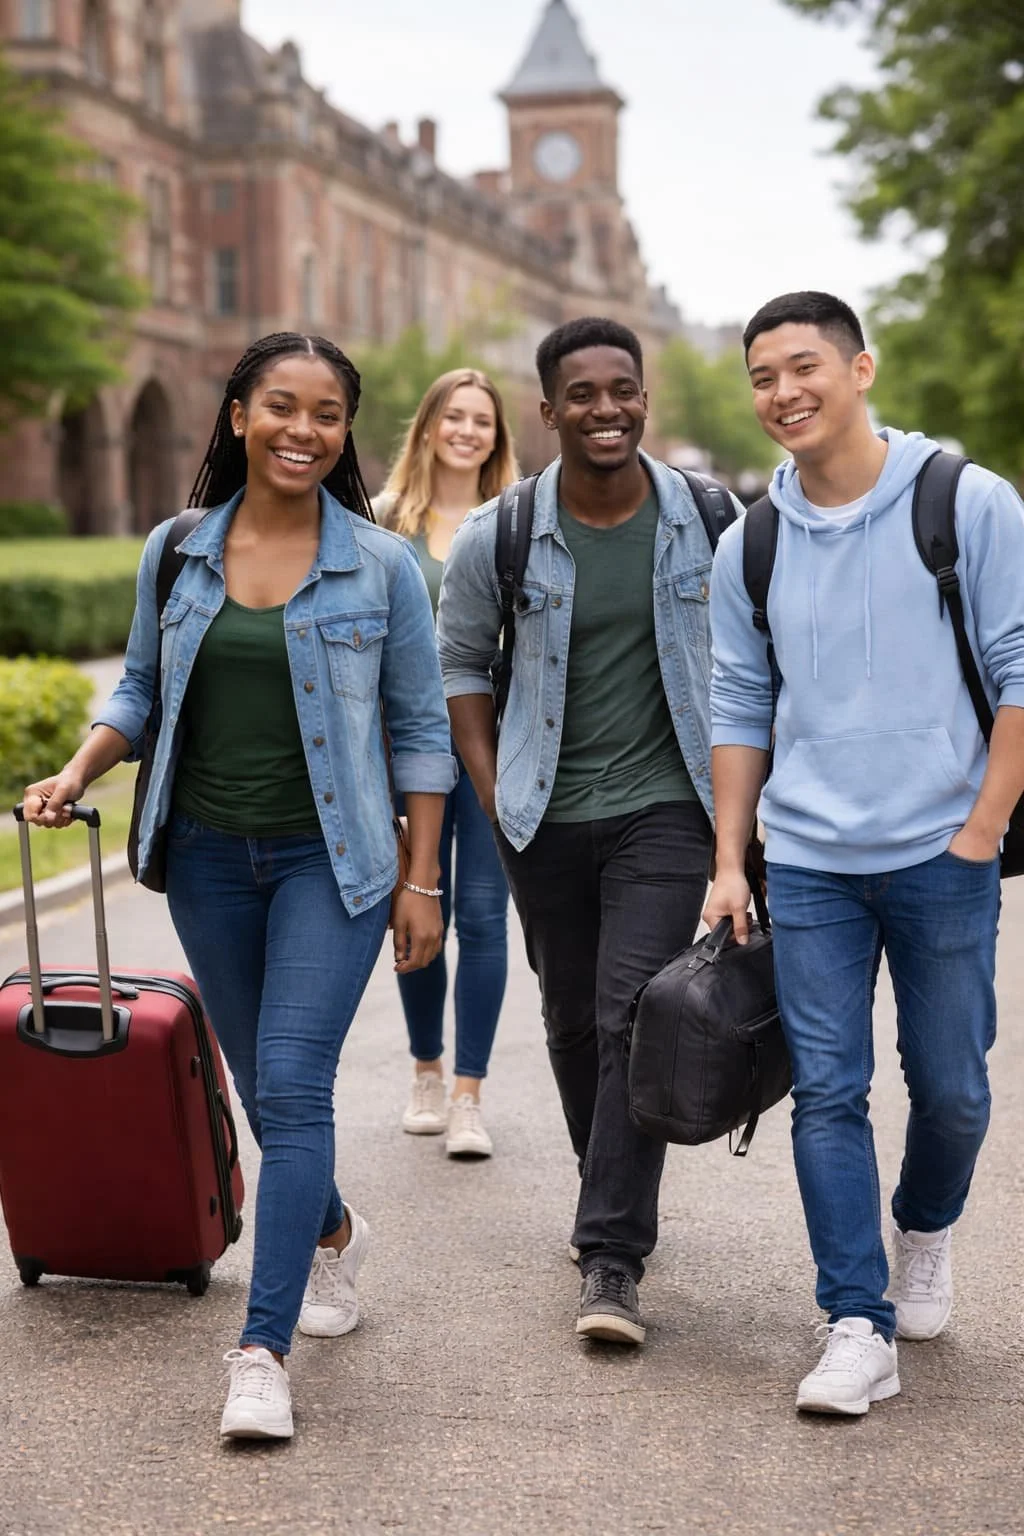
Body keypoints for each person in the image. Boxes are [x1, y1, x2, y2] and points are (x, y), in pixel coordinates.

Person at [22, 332, 456, 1441]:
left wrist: (422, 881)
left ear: (345, 431)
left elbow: (417, 734)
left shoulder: (383, 567)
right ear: (237, 417)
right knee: (264, 1094)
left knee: (294, 1083)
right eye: (280, 406)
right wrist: (76, 770)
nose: (302, 429)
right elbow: (137, 688)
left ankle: (259, 1351)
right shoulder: (176, 552)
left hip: (334, 860)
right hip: (209, 856)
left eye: (325, 412)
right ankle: (331, 1234)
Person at [704, 291, 1024, 1416]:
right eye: (761, 376)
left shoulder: (967, 503)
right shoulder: (751, 538)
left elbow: (1021, 668)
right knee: (825, 1091)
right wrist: (731, 858)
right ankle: (854, 1319)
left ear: (860, 369)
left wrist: (981, 825)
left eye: (802, 368)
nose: (781, 393)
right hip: (809, 860)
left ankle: (923, 1229)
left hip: (943, 850)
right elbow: (739, 701)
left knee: (951, 1090)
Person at [437, 316, 739, 1346]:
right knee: (569, 1020)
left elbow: (754, 660)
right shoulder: (501, 533)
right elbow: (461, 668)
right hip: (541, 814)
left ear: (644, 398)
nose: (605, 409)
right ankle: (601, 1177)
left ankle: (611, 1256)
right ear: (549, 408)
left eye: (623, 389)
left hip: (668, 806)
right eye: (583, 393)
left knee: (630, 1017)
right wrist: (490, 795)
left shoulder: (707, 516)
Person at [376, 370, 518, 1157]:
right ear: (429, 427)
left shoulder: (516, 520)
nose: (468, 431)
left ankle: (469, 1093)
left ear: (497, 436)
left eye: (482, 421)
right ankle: (425, 1070)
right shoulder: (385, 524)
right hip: (407, 749)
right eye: (454, 417)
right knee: (415, 901)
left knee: (485, 918)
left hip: (492, 747)